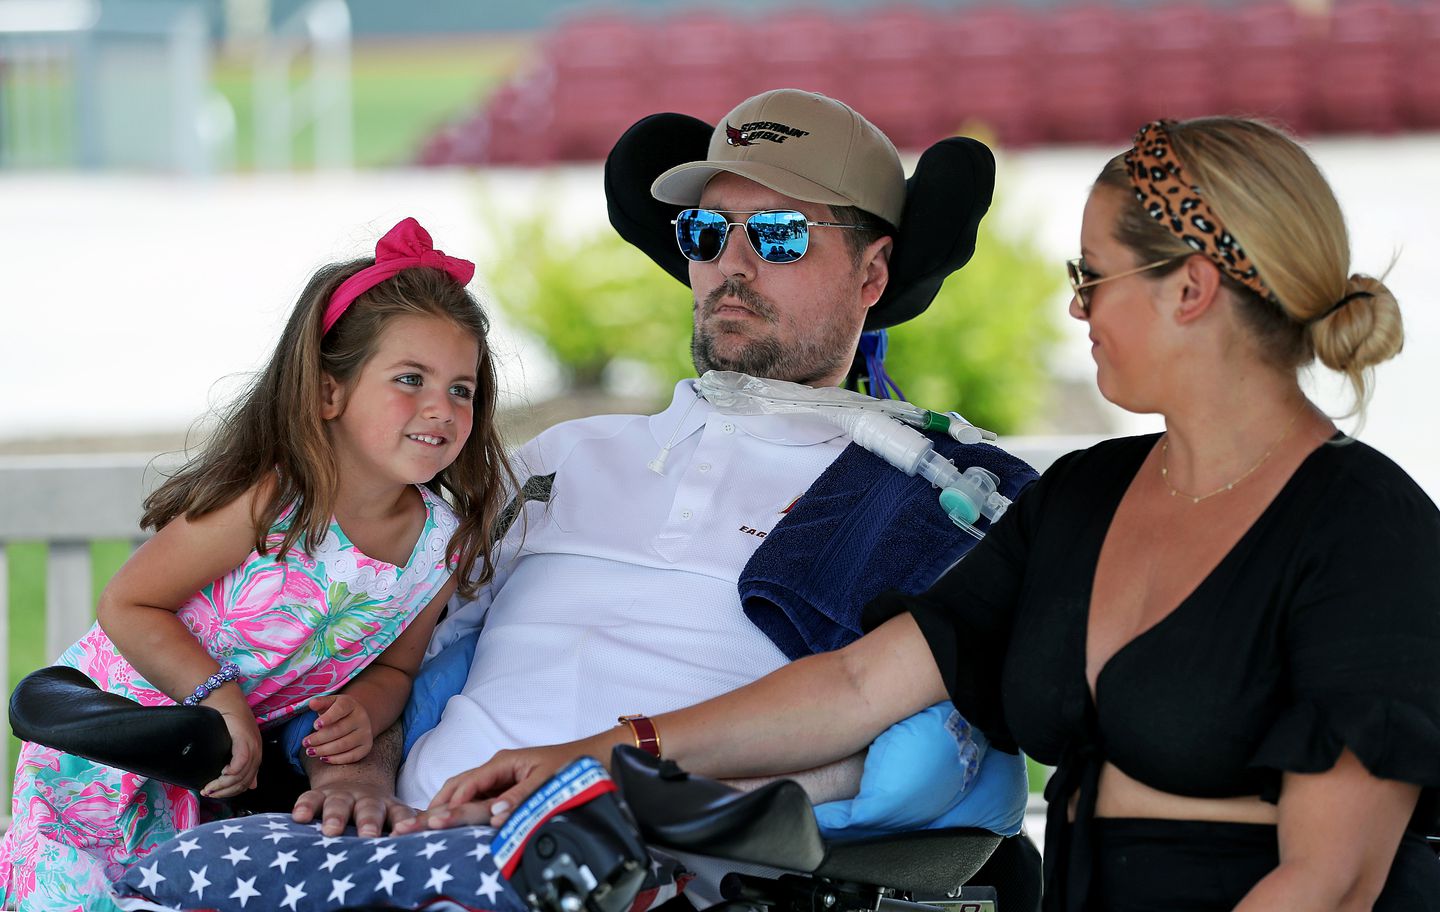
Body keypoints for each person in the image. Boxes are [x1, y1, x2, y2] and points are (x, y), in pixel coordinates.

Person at [403, 117, 1440, 911]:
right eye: (708, 234)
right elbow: (855, 684)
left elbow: (1332, 883)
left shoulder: (1366, 530)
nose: (1075, 307)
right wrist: (596, 752)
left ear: (1192, 290)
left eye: (1092, 277)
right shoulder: (1088, 495)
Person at [290, 89, 1037, 874]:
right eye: (707, 232)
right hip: (396, 851)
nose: (732, 267)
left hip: (637, 870)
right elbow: (387, 651)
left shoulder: (922, 496)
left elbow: (885, 729)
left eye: (780, 235)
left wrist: (641, 805)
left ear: (873, 273)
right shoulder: (561, 458)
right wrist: (354, 782)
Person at [0, 217, 513, 911]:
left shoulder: (441, 545)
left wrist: (363, 709)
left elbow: (396, 667)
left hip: (221, 775)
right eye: (410, 378)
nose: (441, 407)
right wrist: (216, 692)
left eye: (462, 388)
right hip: (111, 742)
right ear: (329, 392)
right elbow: (129, 604)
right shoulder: (272, 500)